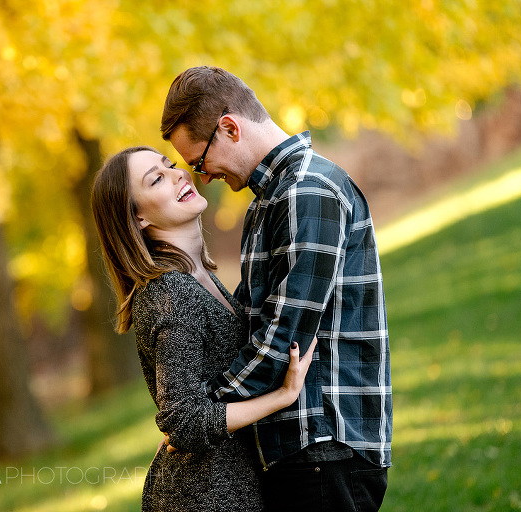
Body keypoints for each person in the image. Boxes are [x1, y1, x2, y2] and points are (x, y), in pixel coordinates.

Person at [160, 66, 392, 511]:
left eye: (198, 161)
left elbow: (281, 343)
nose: (201, 177)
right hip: (301, 448)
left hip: (325, 444)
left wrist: (201, 415)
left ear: (229, 127)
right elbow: (249, 325)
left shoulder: (307, 191)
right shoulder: (269, 202)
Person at [91, 146, 317, 511]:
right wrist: (283, 395)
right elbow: (183, 420)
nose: (179, 173)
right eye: (157, 179)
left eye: (170, 165)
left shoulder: (197, 280)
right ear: (138, 219)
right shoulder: (171, 292)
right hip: (205, 496)